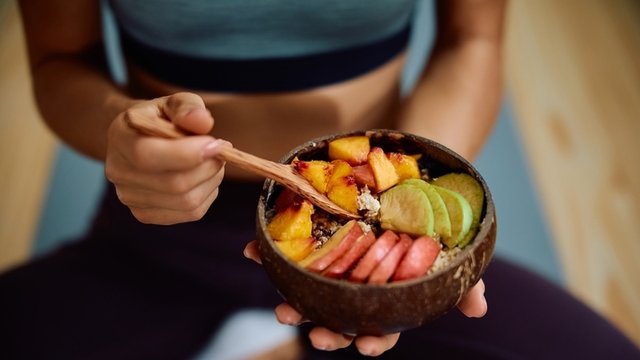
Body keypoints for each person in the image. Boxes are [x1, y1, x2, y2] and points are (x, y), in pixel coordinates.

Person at [1, 0, 638, 359]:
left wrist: (416, 210)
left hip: (382, 235)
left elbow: (471, 39)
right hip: (168, 217)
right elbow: (60, 62)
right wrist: (122, 132)